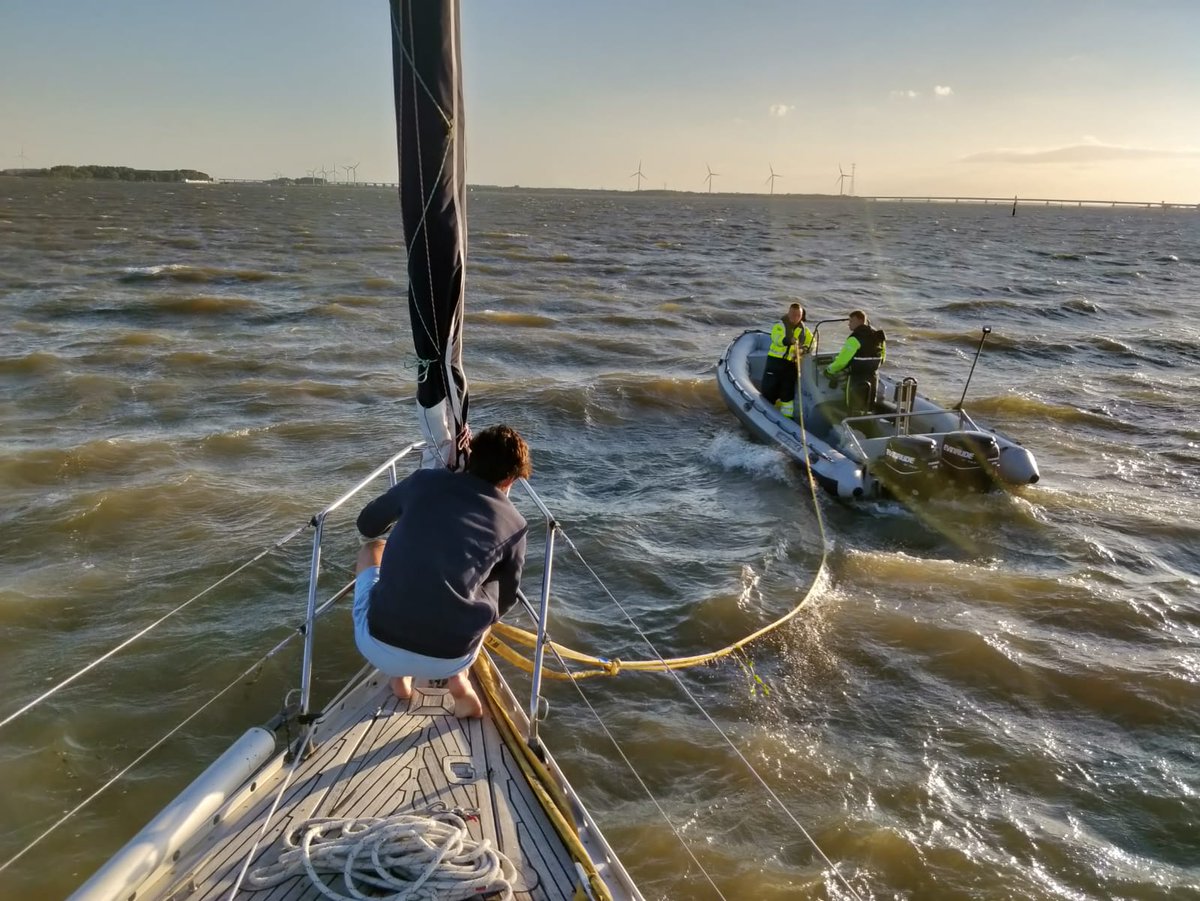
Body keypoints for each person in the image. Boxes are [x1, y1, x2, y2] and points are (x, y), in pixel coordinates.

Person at [352, 424, 531, 717]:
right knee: (493, 592)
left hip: (377, 646)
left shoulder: (424, 482)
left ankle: (399, 679)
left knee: (372, 550)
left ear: (470, 455)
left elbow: (367, 525)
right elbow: (506, 600)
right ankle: (459, 683)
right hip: (452, 657)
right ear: (510, 479)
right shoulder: (516, 524)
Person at [825, 310, 887, 414]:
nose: (849, 324)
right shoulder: (878, 335)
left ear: (860, 320)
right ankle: (867, 420)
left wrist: (829, 370)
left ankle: (850, 422)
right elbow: (883, 357)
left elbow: (841, 362)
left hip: (856, 378)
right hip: (873, 376)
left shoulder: (854, 338)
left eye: (851, 321)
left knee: (853, 404)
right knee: (869, 403)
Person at [760, 302, 814, 418]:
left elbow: (812, 342)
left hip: (791, 365)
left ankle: (787, 419)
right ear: (788, 313)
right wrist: (789, 341)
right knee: (769, 391)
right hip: (775, 363)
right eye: (793, 314)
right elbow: (777, 338)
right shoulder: (780, 325)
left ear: (801, 315)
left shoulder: (804, 330)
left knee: (787, 395)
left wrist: (803, 350)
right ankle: (765, 416)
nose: (795, 317)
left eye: (798, 315)